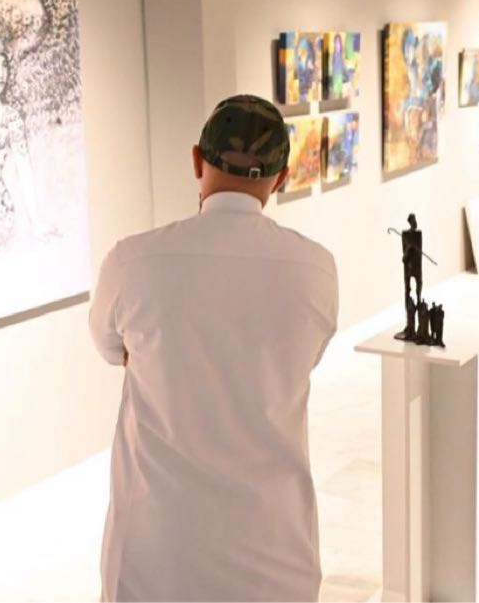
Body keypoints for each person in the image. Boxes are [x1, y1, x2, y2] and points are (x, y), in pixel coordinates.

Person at [89, 95, 340, 602]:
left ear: (196, 160)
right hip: (276, 551)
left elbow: (109, 347)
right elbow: (308, 354)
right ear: (282, 177)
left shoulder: (131, 261)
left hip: (157, 552)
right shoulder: (316, 268)